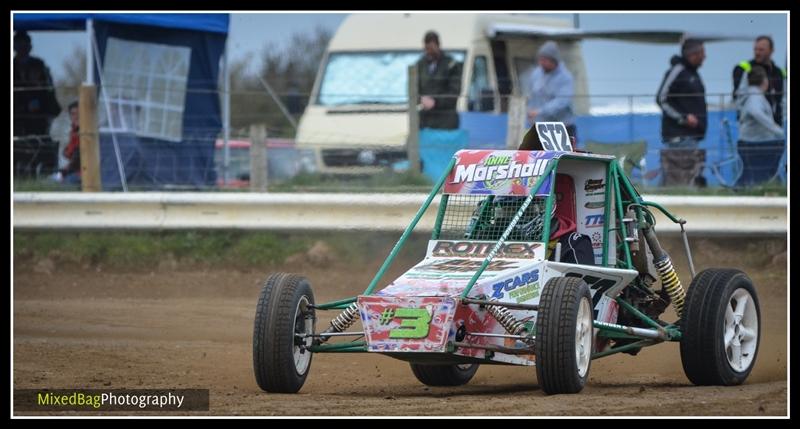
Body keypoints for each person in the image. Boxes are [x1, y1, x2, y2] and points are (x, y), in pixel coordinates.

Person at [655, 38, 707, 187]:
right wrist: (683, 118)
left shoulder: (693, 74)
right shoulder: (678, 71)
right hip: (679, 137)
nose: (705, 57)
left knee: (687, 179)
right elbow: (661, 99)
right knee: (677, 179)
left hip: (692, 136)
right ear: (693, 54)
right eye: (703, 53)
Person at [14, 30, 62, 178]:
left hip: (38, 115)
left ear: (30, 46)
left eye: (25, 44)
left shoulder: (39, 65)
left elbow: (47, 88)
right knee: (18, 147)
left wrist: (45, 107)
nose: (22, 47)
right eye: (19, 44)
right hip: (17, 116)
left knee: (38, 145)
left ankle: (38, 175)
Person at [734, 66, 785, 187]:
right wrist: (776, 130)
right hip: (758, 143)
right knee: (760, 176)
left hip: (749, 141)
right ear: (764, 81)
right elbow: (755, 111)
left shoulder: (749, 94)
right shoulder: (755, 97)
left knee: (756, 175)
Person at [525, 41, 577, 141]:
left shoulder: (565, 77)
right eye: (540, 60)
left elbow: (562, 102)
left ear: (554, 60)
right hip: (541, 128)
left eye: (544, 60)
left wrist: (540, 111)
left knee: (564, 156)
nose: (541, 63)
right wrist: (530, 115)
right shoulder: (536, 74)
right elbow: (532, 96)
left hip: (563, 128)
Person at [732, 35, 786, 127]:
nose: (757, 52)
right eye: (755, 49)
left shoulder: (779, 72)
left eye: (761, 50)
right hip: (751, 128)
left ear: (771, 50)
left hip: (775, 126)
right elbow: (738, 96)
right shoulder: (744, 69)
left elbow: (783, 99)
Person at [416, 31, 462, 130]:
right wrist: (421, 99)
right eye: (427, 49)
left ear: (438, 46)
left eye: (432, 49)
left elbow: (454, 92)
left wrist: (435, 102)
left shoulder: (451, 65)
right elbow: (413, 90)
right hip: (425, 122)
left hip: (446, 121)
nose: (429, 53)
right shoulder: (420, 65)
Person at [53, 101, 82, 184]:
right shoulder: (74, 130)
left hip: (81, 173)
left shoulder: (84, 132)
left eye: (79, 113)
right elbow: (69, 152)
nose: (76, 116)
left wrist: (63, 172)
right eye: (73, 114)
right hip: (72, 170)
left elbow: (78, 159)